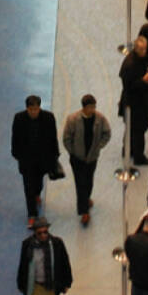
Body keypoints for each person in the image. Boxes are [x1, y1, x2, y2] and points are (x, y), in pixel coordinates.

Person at [61, 93, 111, 225]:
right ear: (83, 107)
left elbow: (107, 133)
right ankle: (84, 211)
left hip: (92, 157)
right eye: (90, 107)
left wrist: (99, 147)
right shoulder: (73, 119)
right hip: (77, 159)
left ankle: (86, 198)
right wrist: (73, 152)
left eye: (94, 107)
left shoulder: (100, 119)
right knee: (80, 183)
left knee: (89, 180)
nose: (92, 110)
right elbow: (66, 138)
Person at [11, 94, 61, 224]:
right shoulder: (19, 118)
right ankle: (32, 215)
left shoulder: (49, 118)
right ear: (27, 108)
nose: (34, 112)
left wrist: (55, 155)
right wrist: (16, 154)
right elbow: (15, 138)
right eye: (31, 109)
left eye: (36, 109)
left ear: (39, 107)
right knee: (28, 186)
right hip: (26, 160)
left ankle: (37, 194)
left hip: (42, 158)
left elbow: (52, 138)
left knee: (38, 182)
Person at [16, 217, 73, 295]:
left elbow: (65, 263)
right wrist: (20, 284)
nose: (43, 235)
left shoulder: (57, 243)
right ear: (34, 233)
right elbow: (23, 265)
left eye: (45, 232)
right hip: (34, 287)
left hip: (50, 286)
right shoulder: (27, 245)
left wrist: (67, 282)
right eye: (39, 233)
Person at [118, 36, 148, 164]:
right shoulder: (130, 64)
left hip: (134, 101)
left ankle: (127, 149)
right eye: (143, 49)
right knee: (138, 130)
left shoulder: (136, 59)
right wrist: (144, 81)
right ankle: (139, 156)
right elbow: (129, 86)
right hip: (134, 103)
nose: (145, 52)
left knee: (130, 128)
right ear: (137, 49)